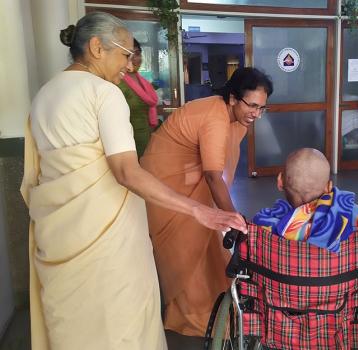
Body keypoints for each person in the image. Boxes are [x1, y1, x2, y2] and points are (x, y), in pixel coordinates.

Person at [20, 12, 246, 350]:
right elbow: (126, 171)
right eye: (126, 54)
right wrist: (199, 211)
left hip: (57, 230)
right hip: (105, 232)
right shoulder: (104, 93)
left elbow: (35, 173)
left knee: (72, 315)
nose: (129, 65)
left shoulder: (44, 95)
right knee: (117, 314)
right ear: (97, 47)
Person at [140, 67, 273, 336]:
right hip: (166, 186)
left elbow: (222, 170)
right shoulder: (215, 117)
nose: (256, 114)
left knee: (209, 245)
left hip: (191, 182)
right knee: (187, 249)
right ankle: (188, 315)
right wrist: (233, 220)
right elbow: (214, 176)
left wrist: (225, 215)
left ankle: (219, 304)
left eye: (262, 109)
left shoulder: (237, 120)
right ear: (234, 98)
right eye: (252, 106)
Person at [253, 148, 358, 280]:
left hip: (281, 302)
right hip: (342, 304)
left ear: (280, 181)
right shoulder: (352, 216)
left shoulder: (265, 224)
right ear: (328, 187)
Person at [118, 38, 159, 156]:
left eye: (138, 53)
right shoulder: (118, 82)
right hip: (128, 143)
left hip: (147, 138)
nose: (135, 59)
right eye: (129, 54)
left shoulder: (142, 81)